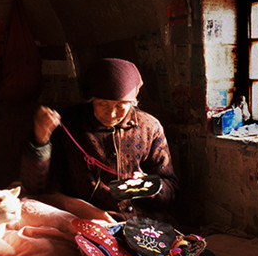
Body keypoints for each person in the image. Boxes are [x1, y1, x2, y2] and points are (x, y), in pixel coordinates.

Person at [21, 58, 180, 222]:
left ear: (133, 102)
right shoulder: (67, 124)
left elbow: (171, 191)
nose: (111, 114)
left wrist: (147, 186)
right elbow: (36, 188)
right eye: (103, 104)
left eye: (120, 106)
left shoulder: (149, 127)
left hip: (139, 221)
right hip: (81, 219)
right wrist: (40, 140)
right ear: (91, 100)